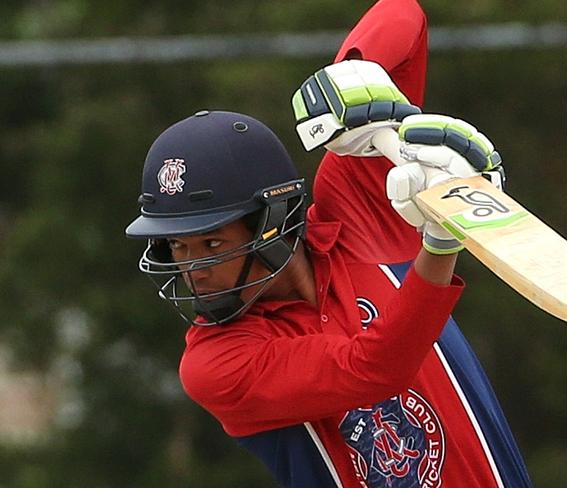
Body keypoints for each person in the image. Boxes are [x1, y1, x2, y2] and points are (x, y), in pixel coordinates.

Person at [126, 1, 532, 486]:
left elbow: (403, 14)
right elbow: (375, 369)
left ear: (271, 222)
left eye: (212, 242)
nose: (194, 268)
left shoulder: (355, 207)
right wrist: (441, 241)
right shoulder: (215, 362)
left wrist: (349, 79)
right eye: (178, 246)